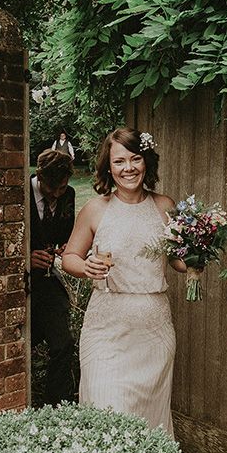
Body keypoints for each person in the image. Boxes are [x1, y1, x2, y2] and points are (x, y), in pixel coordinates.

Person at [61, 127, 186, 436]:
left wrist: (200, 250)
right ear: (108, 166)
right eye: (119, 162)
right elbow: (69, 258)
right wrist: (85, 266)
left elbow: (179, 263)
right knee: (108, 408)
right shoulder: (95, 209)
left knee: (149, 419)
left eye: (135, 159)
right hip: (107, 328)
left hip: (153, 330)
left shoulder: (165, 206)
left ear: (146, 162)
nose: (128, 168)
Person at [29, 149, 76, 406]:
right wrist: (27, 258)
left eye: (62, 188)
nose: (57, 194)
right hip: (22, 285)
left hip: (48, 283)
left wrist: (67, 244)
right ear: (39, 176)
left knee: (63, 344)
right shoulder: (20, 193)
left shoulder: (68, 194)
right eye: (52, 188)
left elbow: (68, 232)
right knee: (27, 342)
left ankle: (54, 406)